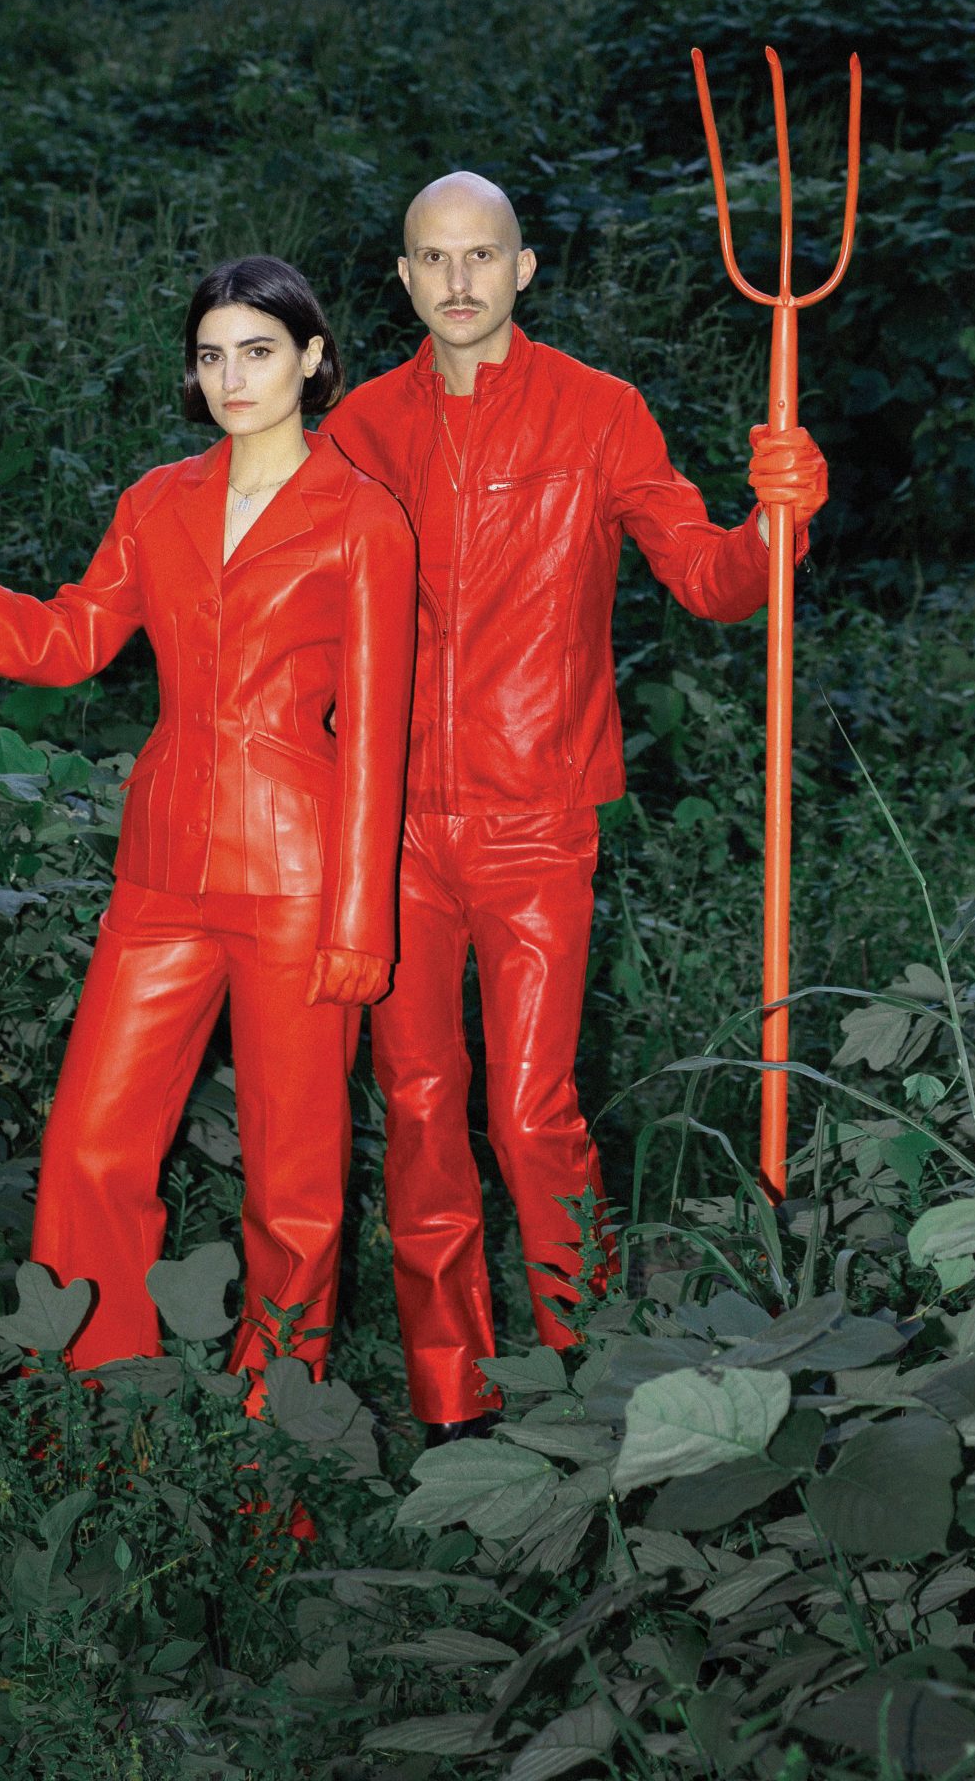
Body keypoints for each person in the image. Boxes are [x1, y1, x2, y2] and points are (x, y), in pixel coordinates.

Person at [321, 171, 827, 1439]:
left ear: (524, 268)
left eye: (482, 255)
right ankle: (451, 1395)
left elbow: (710, 581)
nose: (459, 280)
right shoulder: (360, 428)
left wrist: (776, 520)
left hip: (539, 814)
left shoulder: (600, 412)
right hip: (390, 827)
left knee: (530, 1111)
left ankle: (586, 1367)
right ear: (403, 276)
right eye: (434, 258)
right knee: (419, 1108)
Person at [0, 256, 416, 1403]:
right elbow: (65, 640)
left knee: (294, 1181)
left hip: (302, 879)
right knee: (90, 1145)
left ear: (313, 359)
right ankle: (102, 1403)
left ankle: (274, 1433)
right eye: (212, 355)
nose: (232, 377)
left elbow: (377, 734)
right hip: (161, 870)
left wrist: (363, 916)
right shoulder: (158, 501)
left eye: (257, 351)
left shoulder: (366, 518)